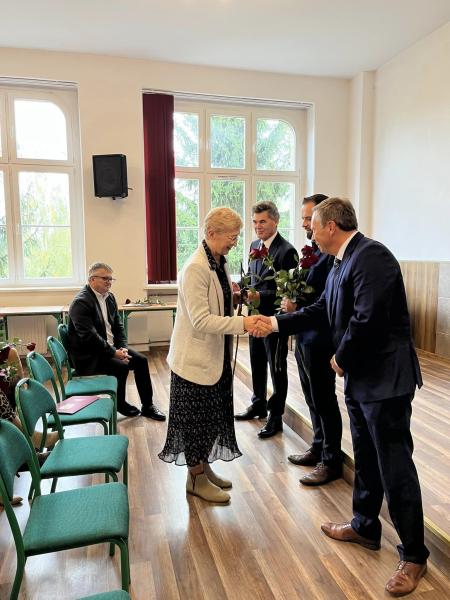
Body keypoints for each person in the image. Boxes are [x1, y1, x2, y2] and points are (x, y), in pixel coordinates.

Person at [252, 197, 429, 597]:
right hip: (363, 381)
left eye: (312, 225)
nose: (309, 232)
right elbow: (319, 310)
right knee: (366, 456)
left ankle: (414, 555)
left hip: (385, 381)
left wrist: (341, 357)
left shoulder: (372, 257)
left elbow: (368, 319)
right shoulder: (338, 263)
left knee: (395, 466)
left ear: (331, 226)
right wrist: (275, 322)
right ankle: (365, 525)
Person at [159, 207, 259, 504]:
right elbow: (201, 320)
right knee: (194, 421)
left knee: (209, 418)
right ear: (211, 233)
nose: (234, 241)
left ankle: (204, 468)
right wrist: (244, 323)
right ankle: (195, 479)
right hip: (194, 362)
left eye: (237, 236)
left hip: (215, 358)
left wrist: (235, 297)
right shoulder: (195, 268)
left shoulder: (219, 262)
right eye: (231, 236)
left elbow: (218, 301)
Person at [282, 194, 343, 485]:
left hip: (321, 338)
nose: (306, 224)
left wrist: (297, 305)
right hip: (304, 335)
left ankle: (331, 461)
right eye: (304, 218)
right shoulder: (313, 250)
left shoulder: (331, 254)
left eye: (310, 218)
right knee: (311, 397)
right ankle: (318, 447)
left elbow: (325, 300)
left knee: (325, 400)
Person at [67, 262, 165, 420]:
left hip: (108, 348)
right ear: (91, 279)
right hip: (90, 356)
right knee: (121, 367)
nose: (109, 282)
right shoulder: (81, 302)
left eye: (111, 279)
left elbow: (119, 327)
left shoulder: (109, 298)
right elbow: (89, 337)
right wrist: (114, 353)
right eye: (105, 278)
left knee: (141, 361)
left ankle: (148, 406)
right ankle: (120, 403)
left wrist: (123, 348)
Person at [234, 200, 297, 438]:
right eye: (255, 222)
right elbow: (251, 277)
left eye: (263, 221)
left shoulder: (287, 251)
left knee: (277, 369)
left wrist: (260, 295)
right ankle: (258, 403)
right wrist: (238, 287)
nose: (258, 226)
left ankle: (276, 417)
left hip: (274, 321)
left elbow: (287, 292)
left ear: (275, 221)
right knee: (257, 362)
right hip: (254, 317)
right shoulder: (253, 245)